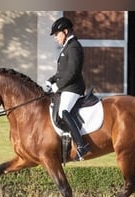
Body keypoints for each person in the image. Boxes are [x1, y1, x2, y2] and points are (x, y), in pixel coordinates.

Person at [45, 17, 89, 161]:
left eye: (57, 34)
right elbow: (62, 72)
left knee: (64, 112)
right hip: (67, 87)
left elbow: (72, 72)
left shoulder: (74, 46)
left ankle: (82, 146)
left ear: (65, 31)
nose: (56, 38)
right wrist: (51, 80)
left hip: (73, 88)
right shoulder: (68, 46)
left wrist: (58, 85)